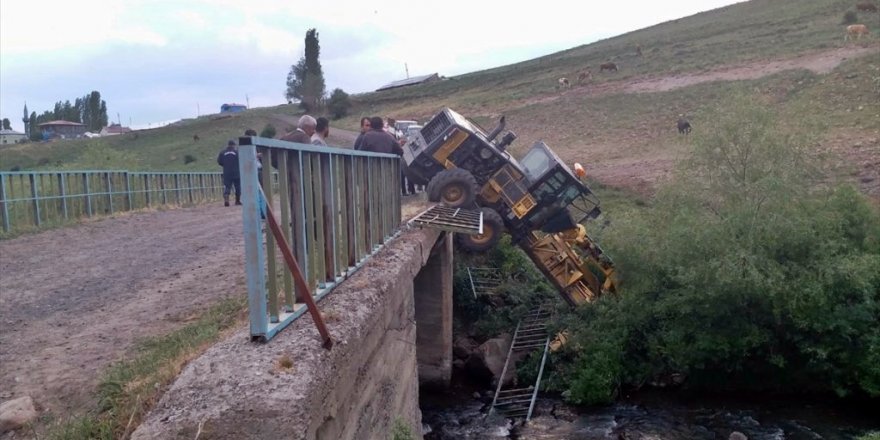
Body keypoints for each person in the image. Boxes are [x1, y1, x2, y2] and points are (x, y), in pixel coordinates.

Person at [217, 139, 241, 206]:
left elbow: (219, 162)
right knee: (238, 187)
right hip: (236, 172)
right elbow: (241, 161)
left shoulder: (222, 152)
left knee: (227, 186)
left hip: (227, 172)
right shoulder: (237, 153)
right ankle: (237, 201)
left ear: (228, 145)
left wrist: (226, 165)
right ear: (234, 145)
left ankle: (226, 199)